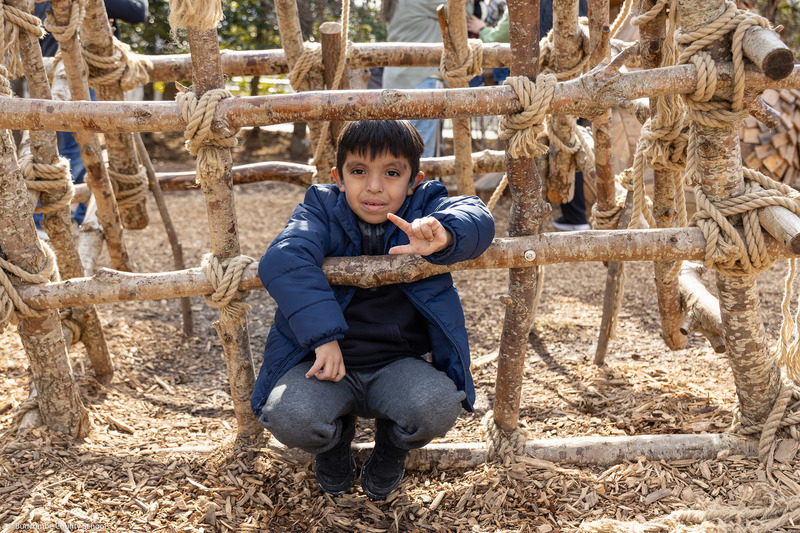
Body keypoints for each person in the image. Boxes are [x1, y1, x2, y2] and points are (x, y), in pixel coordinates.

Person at [252, 120, 495, 500]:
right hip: (328, 365)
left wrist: (444, 233)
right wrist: (325, 338)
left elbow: (476, 216)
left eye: (392, 173)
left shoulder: (426, 208)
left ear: (414, 179)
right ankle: (334, 442)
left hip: (399, 365)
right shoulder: (320, 212)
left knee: (435, 407)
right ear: (339, 177)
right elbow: (283, 259)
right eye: (359, 171)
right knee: (289, 415)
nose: (375, 187)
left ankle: (391, 446)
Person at [468, 0, 591, 231]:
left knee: (526, 145)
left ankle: (527, 219)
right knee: (569, 143)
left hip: (537, 81)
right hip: (576, 79)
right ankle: (576, 217)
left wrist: (482, 28)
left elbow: (502, 35)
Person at [34, 0, 148, 228]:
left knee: (66, 150)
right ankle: (53, 219)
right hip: (77, 75)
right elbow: (138, 11)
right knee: (81, 152)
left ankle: (59, 218)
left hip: (53, 75)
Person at [381, 0, 472, 158]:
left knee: (396, 153)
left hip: (394, 80)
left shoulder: (395, 3)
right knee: (421, 155)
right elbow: (462, 11)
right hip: (422, 80)